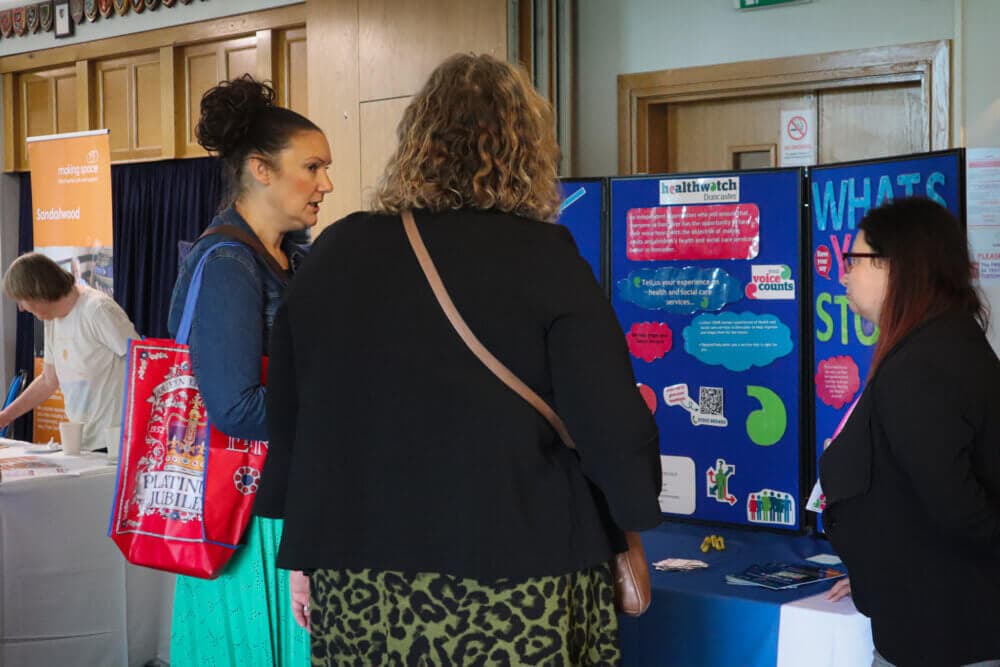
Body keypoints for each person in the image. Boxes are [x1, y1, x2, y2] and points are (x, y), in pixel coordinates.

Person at [254, 53, 663, 665]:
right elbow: (609, 425)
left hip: (360, 576)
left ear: (416, 141)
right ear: (528, 148)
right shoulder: (544, 258)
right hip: (517, 571)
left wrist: (304, 551)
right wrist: (635, 503)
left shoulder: (336, 254)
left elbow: (296, 418)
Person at [165, 74, 332, 666]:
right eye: (311, 167)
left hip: (273, 501)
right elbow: (234, 407)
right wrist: (336, 414)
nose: (325, 184)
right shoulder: (230, 264)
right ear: (261, 169)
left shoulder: (288, 257)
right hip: (243, 515)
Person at [819, 198, 1000, 667]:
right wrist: (876, 570)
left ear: (895, 267)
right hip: (938, 615)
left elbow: (957, 509)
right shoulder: (943, 343)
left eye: (852, 260)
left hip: (946, 632)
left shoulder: (923, 366)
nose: (843, 276)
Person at [0, 252, 138, 450]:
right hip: (80, 441)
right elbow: (48, 380)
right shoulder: (51, 320)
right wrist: (5, 416)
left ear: (37, 292)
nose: (21, 308)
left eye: (21, 300)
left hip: (115, 441)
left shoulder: (97, 309)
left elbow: (143, 362)